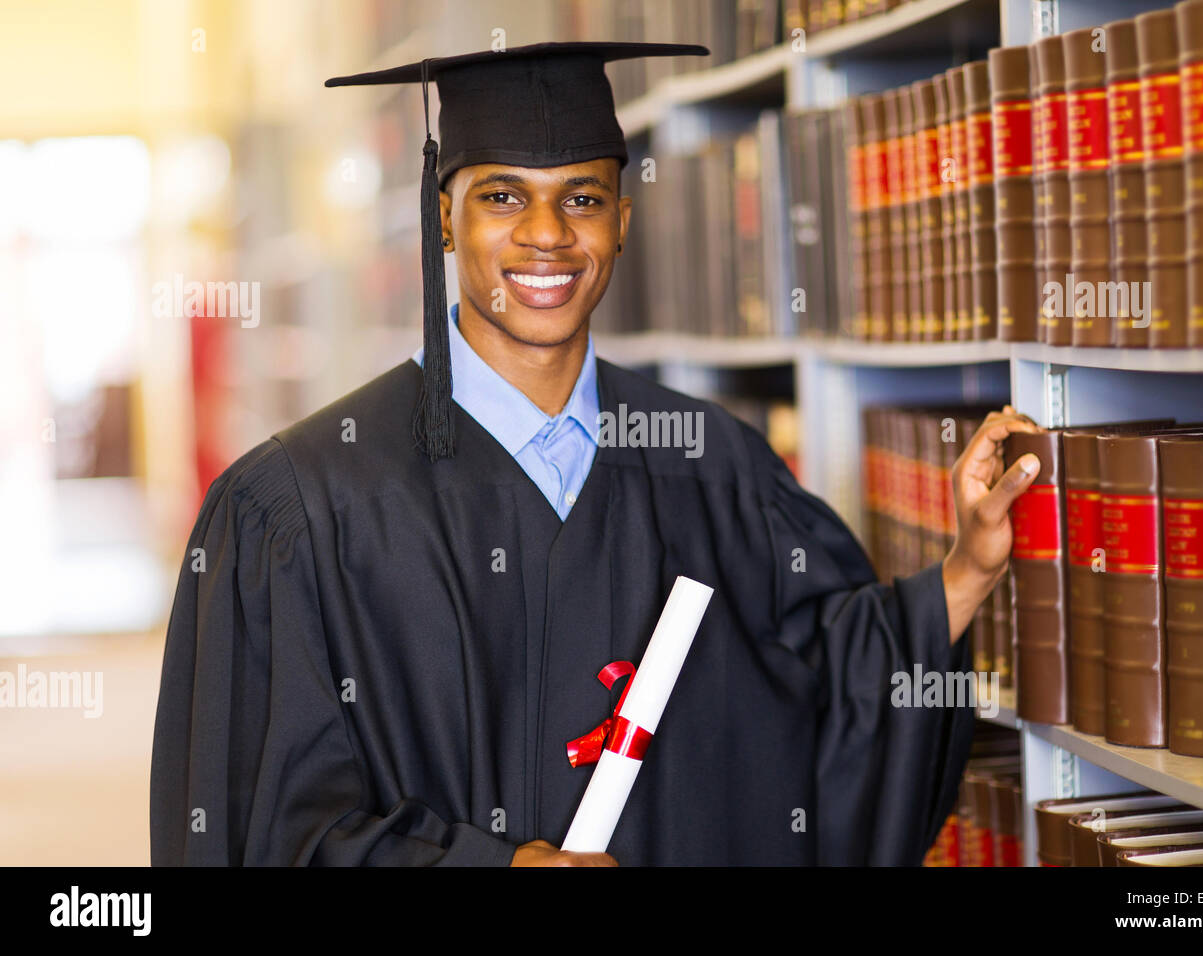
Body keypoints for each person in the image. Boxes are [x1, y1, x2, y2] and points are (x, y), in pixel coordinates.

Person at [149, 41, 1042, 867]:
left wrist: (966, 569)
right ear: (445, 218)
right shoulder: (301, 505)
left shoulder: (713, 465)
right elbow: (260, 828)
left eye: (582, 197)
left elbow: (825, 696)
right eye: (502, 196)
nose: (548, 233)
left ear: (621, 219)